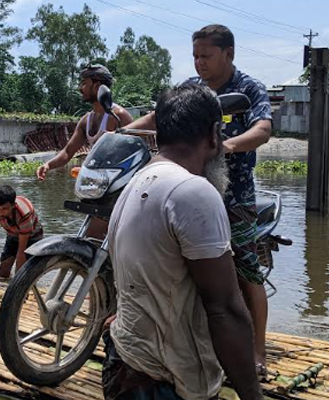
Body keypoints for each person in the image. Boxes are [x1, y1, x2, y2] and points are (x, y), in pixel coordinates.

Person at [123, 24, 273, 371]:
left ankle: (258, 353)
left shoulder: (249, 88)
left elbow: (263, 129)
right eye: (194, 56)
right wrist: (123, 131)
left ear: (228, 54)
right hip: (184, 189)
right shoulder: (192, 90)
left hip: (233, 193)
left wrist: (226, 146)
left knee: (247, 270)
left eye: (206, 56)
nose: (199, 63)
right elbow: (158, 116)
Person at [105, 82, 262, 400]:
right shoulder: (193, 192)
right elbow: (225, 310)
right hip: (165, 381)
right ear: (214, 134)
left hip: (123, 364)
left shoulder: (135, 183)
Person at [35, 64, 133, 181]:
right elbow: (68, 152)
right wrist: (48, 165)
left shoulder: (118, 116)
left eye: (84, 83)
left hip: (120, 181)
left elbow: (132, 153)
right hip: (98, 182)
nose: (80, 88)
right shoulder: (85, 120)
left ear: (97, 86)